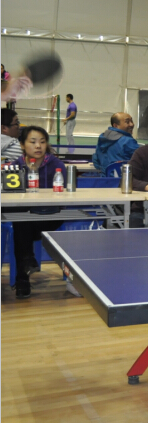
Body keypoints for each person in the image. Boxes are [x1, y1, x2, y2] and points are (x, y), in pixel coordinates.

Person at [9, 126, 67, 299]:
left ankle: (23, 279)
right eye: (33, 142)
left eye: (42, 142)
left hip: (52, 216)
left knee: (21, 224)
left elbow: (64, 195)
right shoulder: (15, 166)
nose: (38, 146)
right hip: (27, 218)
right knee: (22, 221)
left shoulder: (56, 165)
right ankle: (26, 266)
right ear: (22, 145)